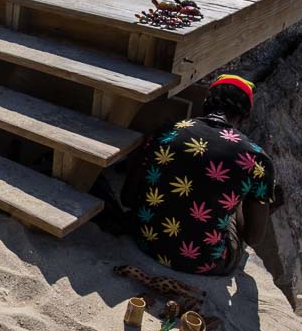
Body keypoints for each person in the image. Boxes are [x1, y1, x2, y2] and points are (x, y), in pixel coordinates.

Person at [114, 75, 285, 287]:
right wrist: (239, 202)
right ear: (245, 116)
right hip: (203, 263)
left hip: (145, 241)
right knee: (248, 197)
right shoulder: (257, 160)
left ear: (205, 104)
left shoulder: (167, 132)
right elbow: (253, 238)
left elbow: (128, 198)